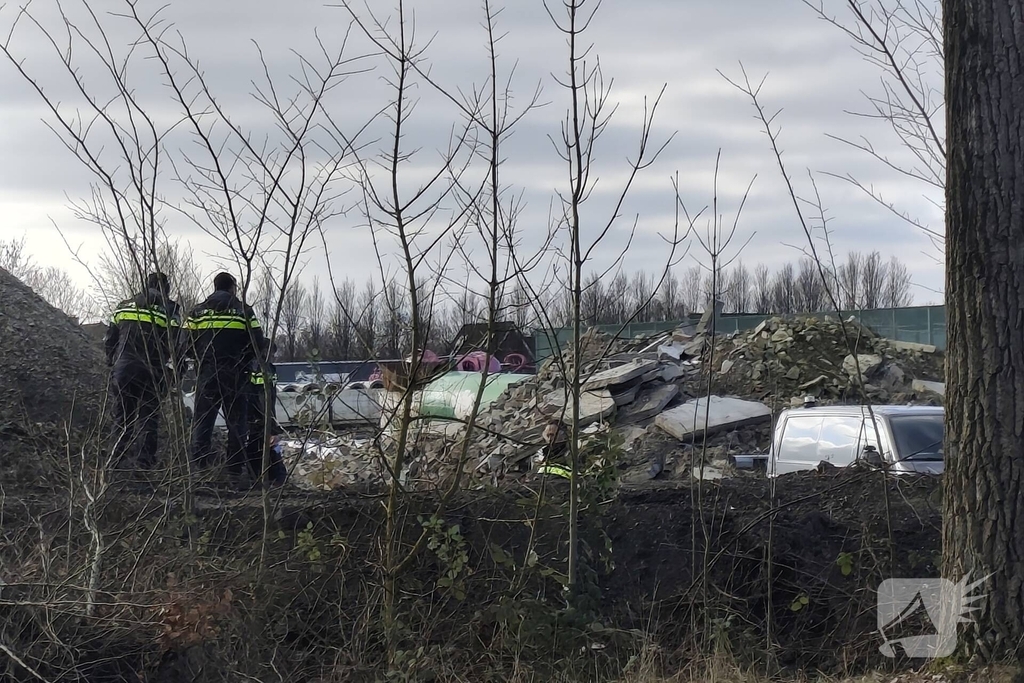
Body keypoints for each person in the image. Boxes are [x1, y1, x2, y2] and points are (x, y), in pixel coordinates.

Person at [182, 272, 264, 487]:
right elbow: (258, 343)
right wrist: (244, 361)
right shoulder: (244, 311)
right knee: (237, 427)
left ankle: (200, 474)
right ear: (232, 288)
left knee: (203, 424)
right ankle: (234, 475)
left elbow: (183, 344)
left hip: (207, 374)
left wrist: (200, 359)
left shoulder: (197, 312)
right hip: (236, 375)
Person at [104, 272, 181, 469]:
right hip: (152, 371)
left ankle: (114, 465)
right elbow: (177, 343)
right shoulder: (170, 309)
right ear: (166, 288)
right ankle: (143, 467)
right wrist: (176, 373)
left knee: (122, 419)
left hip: (124, 369)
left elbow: (110, 338)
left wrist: (110, 362)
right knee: (148, 420)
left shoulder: (124, 305)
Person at [245, 339, 287, 487]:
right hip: (260, 418)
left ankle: (259, 479)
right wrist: (269, 423)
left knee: (256, 449)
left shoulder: (255, 366)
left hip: (255, 417)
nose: (273, 356)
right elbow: (264, 398)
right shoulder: (263, 368)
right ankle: (275, 480)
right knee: (266, 449)